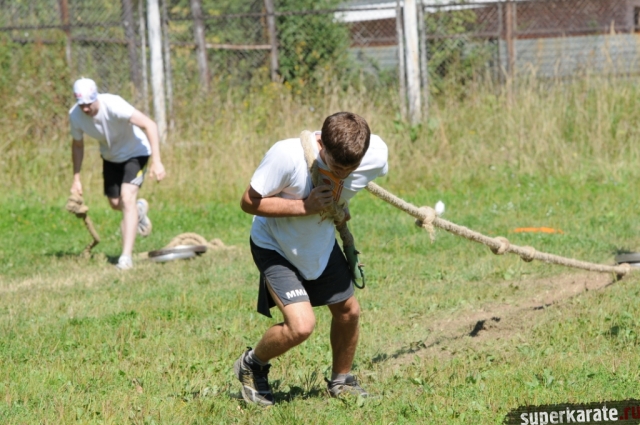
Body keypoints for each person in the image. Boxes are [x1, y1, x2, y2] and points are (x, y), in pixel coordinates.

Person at [235, 112, 388, 406]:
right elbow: (248, 202)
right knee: (301, 326)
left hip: (319, 243)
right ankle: (251, 364)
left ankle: (341, 380)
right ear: (322, 145)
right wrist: (305, 207)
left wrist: (340, 204)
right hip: (276, 246)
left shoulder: (376, 156)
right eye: (337, 167)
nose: (343, 174)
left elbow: (349, 184)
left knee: (348, 312)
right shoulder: (287, 156)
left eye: (351, 169)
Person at [68, 78, 166, 270]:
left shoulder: (114, 105)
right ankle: (138, 210)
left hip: (136, 153)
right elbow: (77, 145)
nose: (85, 109)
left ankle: (125, 258)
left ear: (95, 97)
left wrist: (157, 160)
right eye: (81, 104)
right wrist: (76, 178)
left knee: (127, 198)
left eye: (88, 104)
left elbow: (150, 124)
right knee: (115, 203)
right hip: (111, 157)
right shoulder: (75, 116)